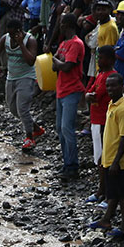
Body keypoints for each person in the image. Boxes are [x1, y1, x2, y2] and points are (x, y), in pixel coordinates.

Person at [97, 72, 124, 237]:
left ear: (122, 86)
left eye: (113, 86)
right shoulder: (112, 104)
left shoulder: (123, 109)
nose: (110, 89)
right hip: (109, 157)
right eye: (108, 86)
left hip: (120, 161)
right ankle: (106, 219)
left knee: (122, 194)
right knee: (113, 191)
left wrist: (116, 161)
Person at [52, 12, 85, 180]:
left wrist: (59, 61)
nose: (60, 26)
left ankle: (72, 165)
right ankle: (67, 163)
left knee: (67, 128)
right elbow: (56, 65)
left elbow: (66, 66)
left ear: (67, 25)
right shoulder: (64, 43)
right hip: (61, 89)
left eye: (62, 23)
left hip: (72, 90)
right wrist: (60, 62)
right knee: (60, 128)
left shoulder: (76, 43)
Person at [0, 17, 40, 151]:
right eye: (9, 34)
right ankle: (35, 128)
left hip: (26, 77)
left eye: (13, 34)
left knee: (22, 108)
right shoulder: (5, 38)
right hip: (11, 77)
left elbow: (31, 61)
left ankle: (30, 138)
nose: (11, 37)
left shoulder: (30, 40)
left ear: (19, 31)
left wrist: (21, 44)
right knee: (13, 109)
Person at [84, 44, 116, 207]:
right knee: (99, 157)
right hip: (96, 119)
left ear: (109, 60)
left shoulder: (111, 77)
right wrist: (89, 95)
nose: (98, 61)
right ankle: (101, 190)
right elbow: (88, 92)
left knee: (104, 158)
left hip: (104, 121)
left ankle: (105, 192)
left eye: (101, 58)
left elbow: (95, 95)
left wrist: (90, 96)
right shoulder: (100, 74)